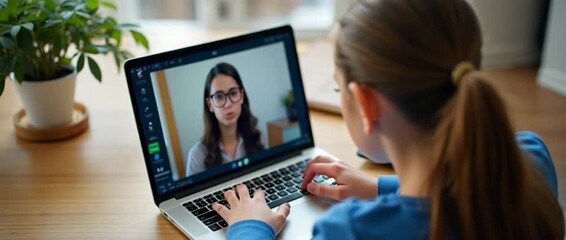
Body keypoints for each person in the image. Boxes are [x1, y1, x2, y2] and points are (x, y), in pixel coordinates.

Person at [211, 0, 565, 239]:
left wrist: (249, 228)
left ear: (366, 105)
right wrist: (380, 187)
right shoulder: (530, 156)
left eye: (340, 91)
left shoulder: (349, 230)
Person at [186, 62, 264, 176]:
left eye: (233, 93)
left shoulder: (259, 137)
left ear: (241, 96)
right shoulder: (197, 155)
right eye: (219, 96)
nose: (228, 104)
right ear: (210, 104)